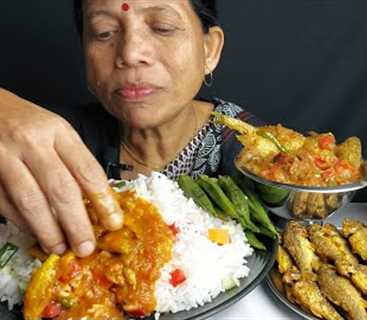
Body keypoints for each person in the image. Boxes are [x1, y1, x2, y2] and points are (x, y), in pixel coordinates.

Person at [0, 0, 258, 258]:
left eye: (162, 28)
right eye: (104, 32)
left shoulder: (254, 148)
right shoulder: (45, 139)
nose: (130, 54)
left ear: (209, 49)